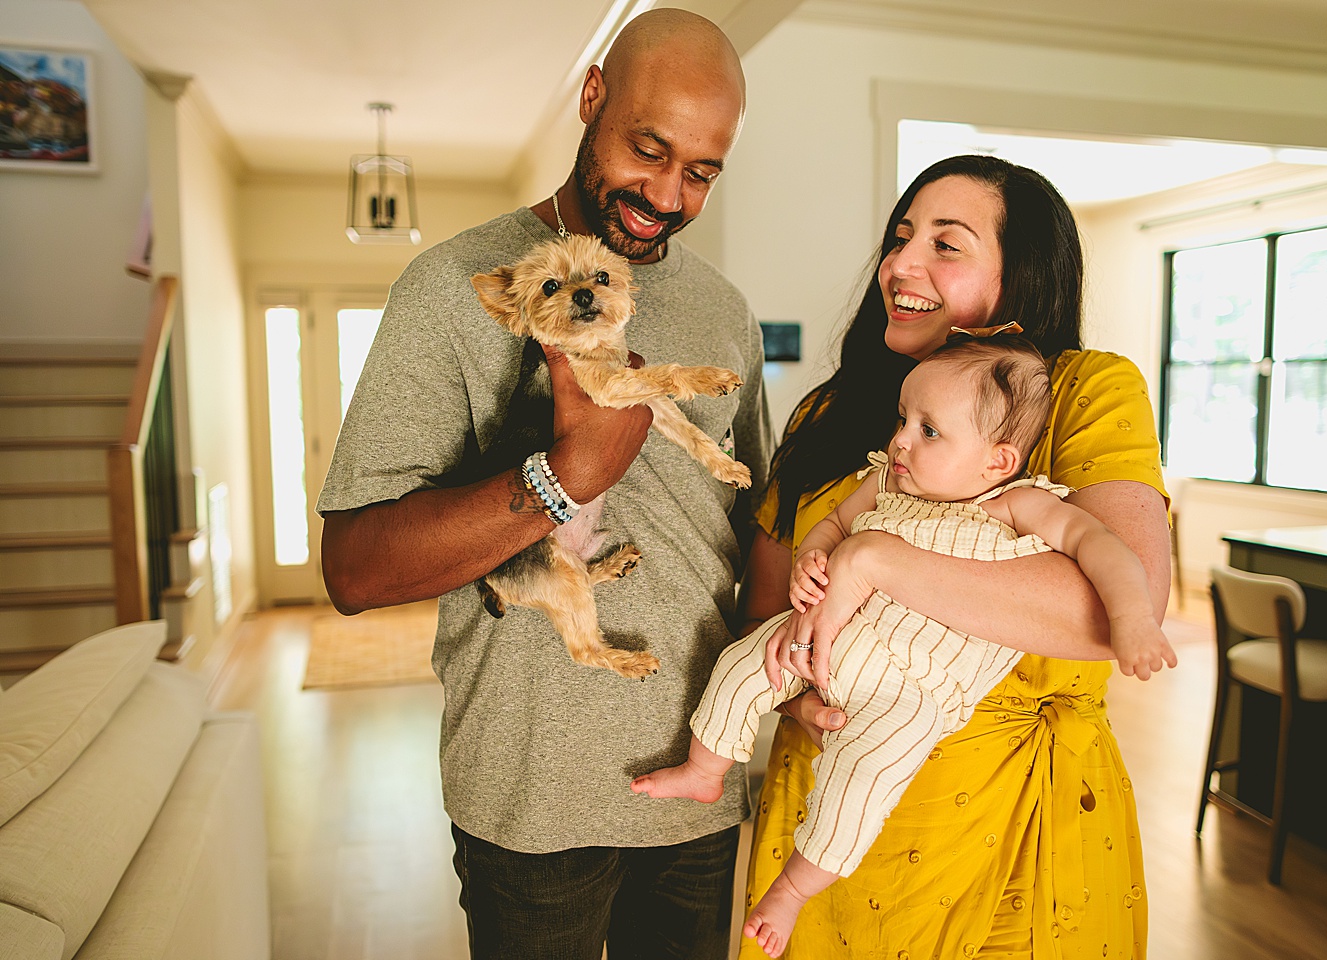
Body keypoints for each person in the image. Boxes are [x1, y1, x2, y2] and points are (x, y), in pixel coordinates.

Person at [316, 10, 773, 960]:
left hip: (701, 779)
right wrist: (564, 477)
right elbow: (355, 571)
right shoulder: (451, 288)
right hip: (527, 795)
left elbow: (755, 524)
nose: (666, 195)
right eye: (648, 151)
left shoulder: (726, 311)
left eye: (701, 171)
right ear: (592, 96)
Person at [737, 155, 1173, 959]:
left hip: (1018, 824)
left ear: (1020, 279)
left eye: (947, 245)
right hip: (834, 815)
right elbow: (763, 604)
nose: (900, 264)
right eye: (901, 238)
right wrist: (790, 695)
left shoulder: (1085, 393)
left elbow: (1116, 603)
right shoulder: (832, 414)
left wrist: (878, 560)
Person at [632, 335, 1174, 956]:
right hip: (827, 651)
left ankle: (791, 892)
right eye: (902, 419)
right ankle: (706, 770)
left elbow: (1104, 549)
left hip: (914, 693)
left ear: (997, 461)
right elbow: (831, 525)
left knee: (862, 779)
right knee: (741, 662)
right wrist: (813, 555)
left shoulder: (1020, 506)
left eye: (929, 431)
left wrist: (1132, 617)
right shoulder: (884, 484)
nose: (901, 441)